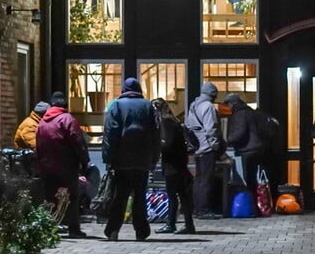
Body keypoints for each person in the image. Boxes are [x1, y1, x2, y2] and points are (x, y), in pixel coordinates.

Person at [102, 77, 160, 241]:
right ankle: (141, 231)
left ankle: (113, 230)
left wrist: (108, 158)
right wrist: (154, 158)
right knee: (140, 196)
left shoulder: (117, 105)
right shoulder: (148, 106)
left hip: (121, 160)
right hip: (143, 161)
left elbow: (110, 133)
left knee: (119, 196)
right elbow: (156, 135)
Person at [36, 91, 90, 238]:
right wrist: (84, 161)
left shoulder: (42, 122)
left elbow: (38, 145)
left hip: (47, 166)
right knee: (71, 196)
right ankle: (73, 229)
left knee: (50, 197)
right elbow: (77, 142)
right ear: (65, 104)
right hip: (66, 165)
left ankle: (48, 228)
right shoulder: (67, 119)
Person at [151, 98, 195, 234]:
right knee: (182, 195)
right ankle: (188, 224)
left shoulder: (165, 122)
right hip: (180, 163)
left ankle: (171, 224)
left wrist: (156, 149)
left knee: (173, 195)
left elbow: (167, 143)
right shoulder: (175, 121)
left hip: (172, 164)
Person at [185, 82, 226, 218]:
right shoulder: (208, 107)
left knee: (198, 179)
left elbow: (189, 125)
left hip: (197, 147)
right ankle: (204, 209)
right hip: (207, 148)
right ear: (213, 94)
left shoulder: (193, 106)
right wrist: (215, 146)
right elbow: (211, 129)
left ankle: (196, 208)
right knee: (207, 180)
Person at [222, 93, 267, 200]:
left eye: (228, 105)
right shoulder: (249, 111)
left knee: (249, 178)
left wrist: (226, 142)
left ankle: (251, 203)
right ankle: (257, 203)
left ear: (232, 104)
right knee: (254, 177)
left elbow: (239, 132)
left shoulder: (240, 113)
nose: (228, 108)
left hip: (248, 150)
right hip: (257, 148)